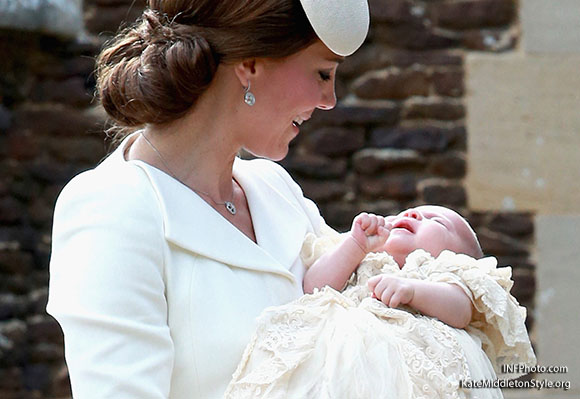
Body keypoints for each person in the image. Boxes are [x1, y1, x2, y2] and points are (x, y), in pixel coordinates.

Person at [45, 0, 370, 398]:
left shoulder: (276, 189)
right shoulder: (112, 207)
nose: (329, 99)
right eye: (323, 73)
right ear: (251, 64)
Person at [225, 206, 536, 398]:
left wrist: (414, 290)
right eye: (406, 212)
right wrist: (355, 246)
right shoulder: (363, 261)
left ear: (457, 255)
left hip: (409, 374)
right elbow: (314, 286)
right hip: (334, 367)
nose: (412, 214)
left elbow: (460, 311)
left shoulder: (443, 273)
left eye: (436, 221)